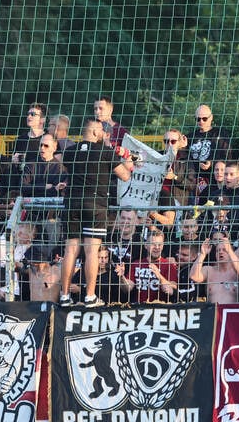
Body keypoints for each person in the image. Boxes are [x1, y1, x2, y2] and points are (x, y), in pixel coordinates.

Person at [59, 119, 133, 308]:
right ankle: (90, 296)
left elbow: (68, 168)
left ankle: (65, 296)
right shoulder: (105, 152)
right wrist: (125, 157)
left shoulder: (70, 152)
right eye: (101, 130)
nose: (104, 133)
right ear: (93, 131)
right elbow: (125, 175)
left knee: (70, 250)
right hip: (95, 204)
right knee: (92, 251)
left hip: (71, 203)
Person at [115, 228, 178, 303]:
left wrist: (159, 276)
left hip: (159, 309)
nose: (157, 247)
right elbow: (127, 288)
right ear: (146, 245)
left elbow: (172, 290)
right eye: (153, 244)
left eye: (159, 244)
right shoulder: (136, 264)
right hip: (139, 308)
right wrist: (122, 277)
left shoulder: (169, 265)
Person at [190, 233, 239, 304]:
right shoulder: (209, 270)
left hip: (233, 312)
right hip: (213, 312)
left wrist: (230, 250)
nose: (221, 252)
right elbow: (194, 277)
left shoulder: (236, 270)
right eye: (218, 250)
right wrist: (202, 254)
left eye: (224, 250)